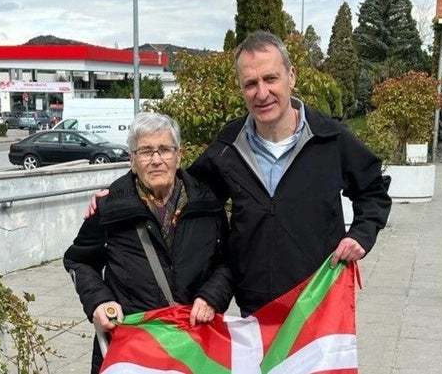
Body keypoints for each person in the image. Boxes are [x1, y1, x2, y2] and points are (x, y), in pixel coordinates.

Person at [86, 30, 391, 318]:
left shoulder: (331, 139)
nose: (262, 93)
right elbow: (184, 188)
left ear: (291, 76)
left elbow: (373, 190)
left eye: (271, 78)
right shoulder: (228, 146)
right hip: (255, 307)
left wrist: (361, 235)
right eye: (250, 83)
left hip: (319, 301)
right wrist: (119, 195)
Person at [64, 112, 232, 374]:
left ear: (178, 156)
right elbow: (79, 259)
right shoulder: (109, 207)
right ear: (132, 160)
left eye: (164, 149)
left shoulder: (207, 205)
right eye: (145, 151)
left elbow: (228, 260)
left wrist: (212, 297)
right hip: (131, 346)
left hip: (194, 344)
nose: (156, 160)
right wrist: (99, 301)